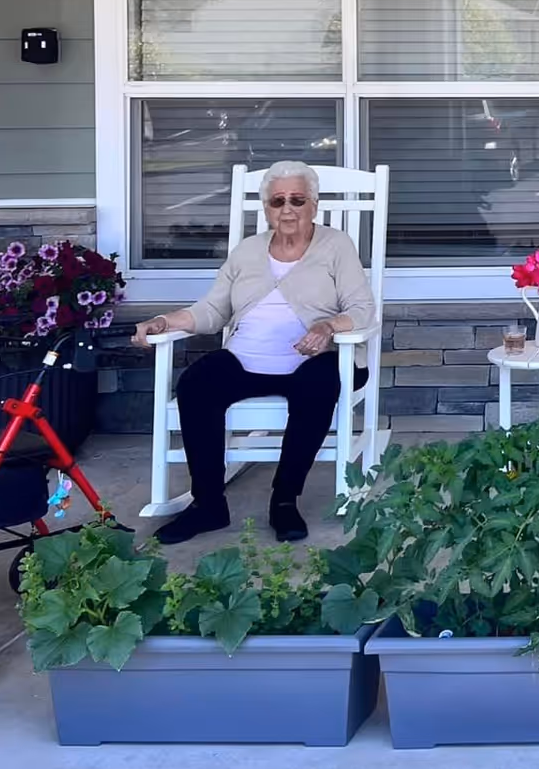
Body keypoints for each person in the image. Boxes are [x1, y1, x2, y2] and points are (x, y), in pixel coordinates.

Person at [133, 160, 375, 544]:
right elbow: (212, 310)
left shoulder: (336, 245)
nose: (287, 209)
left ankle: (284, 500)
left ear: (314, 204)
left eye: (297, 199)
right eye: (277, 201)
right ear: (266, 209)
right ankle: (208, 503)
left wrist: (327, 327)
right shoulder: (247, 251)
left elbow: (363, 310)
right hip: (247, 359)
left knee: (319, 383)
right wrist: (165, 321)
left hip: (316, 357)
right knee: (196, 383)